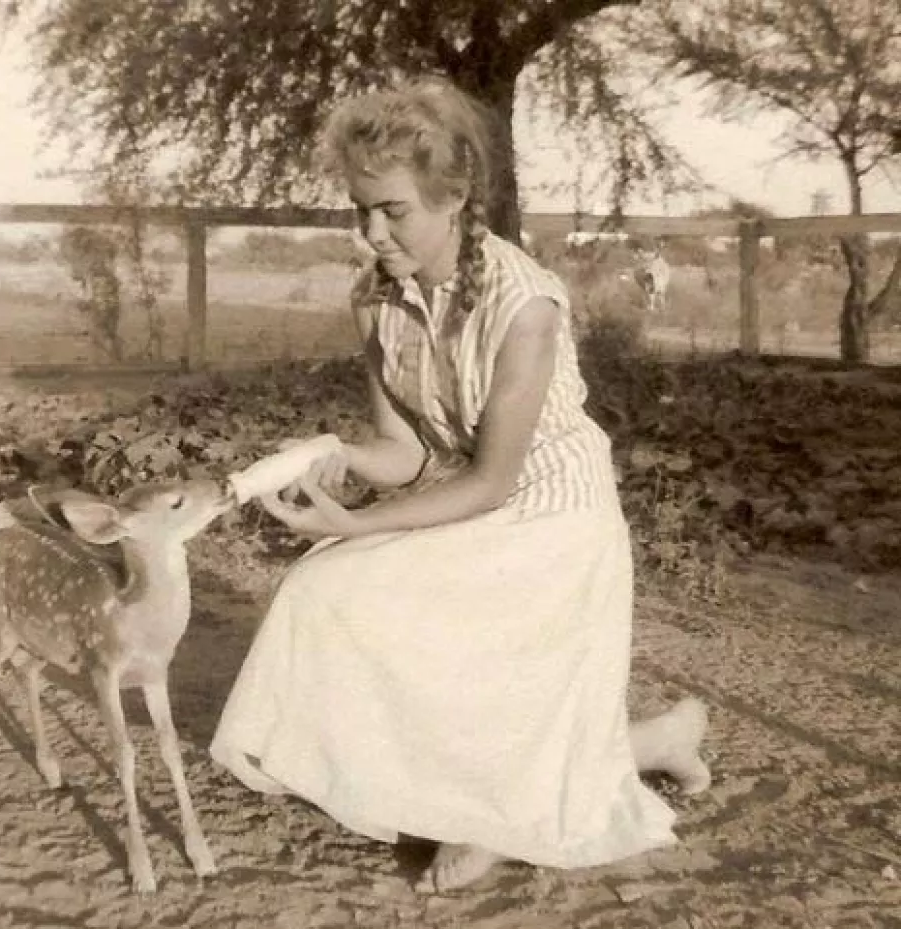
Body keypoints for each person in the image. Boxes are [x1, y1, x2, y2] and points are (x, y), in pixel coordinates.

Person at [209, 76, 710, 893]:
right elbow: (405, 450)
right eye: (360, 210)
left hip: (554, 520)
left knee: (370, 588)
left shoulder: (525, 305)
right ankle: (653, 740)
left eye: (393, 211)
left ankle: (487, 816)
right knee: (322, 589)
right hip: (470, 496)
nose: (373, 233)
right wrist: (334, 452)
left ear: (454, 197)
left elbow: (492, 480)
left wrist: (355, 526)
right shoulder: (375, 296)